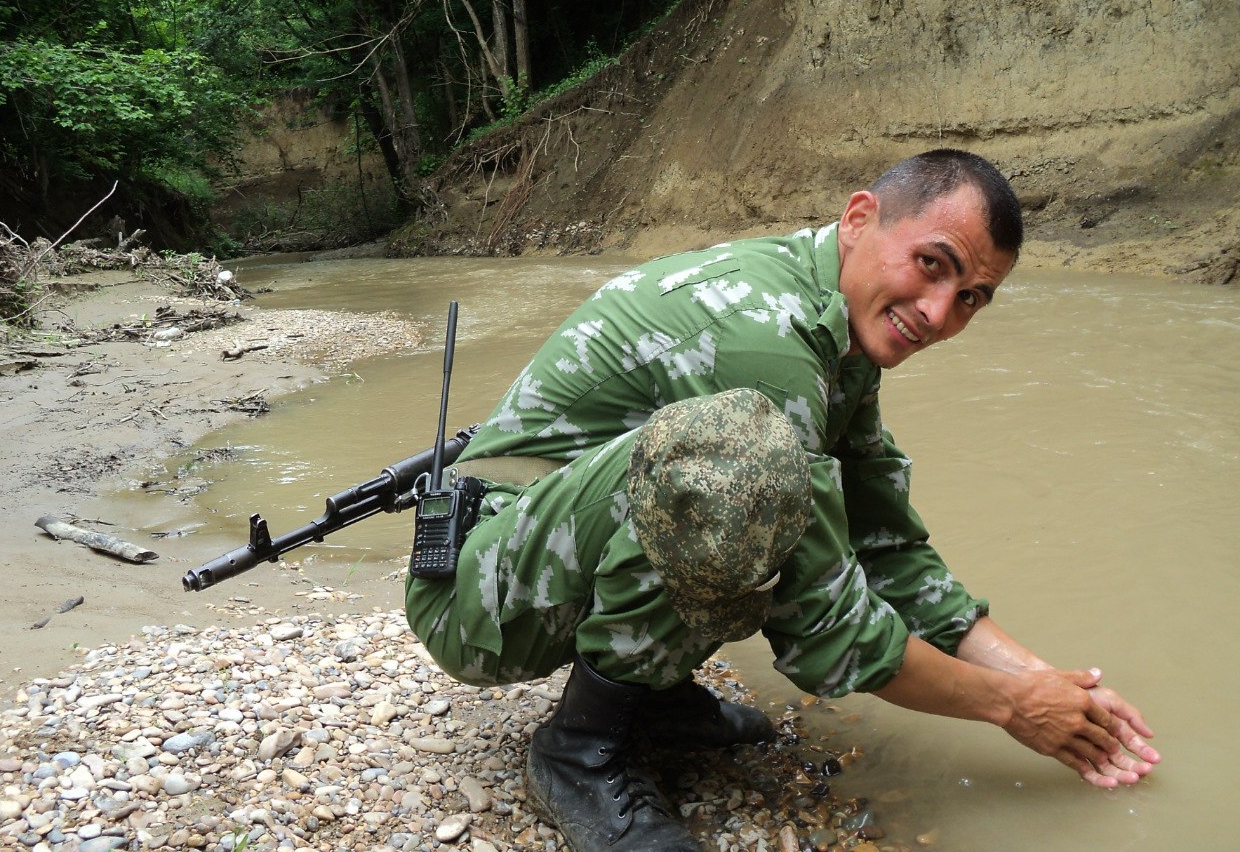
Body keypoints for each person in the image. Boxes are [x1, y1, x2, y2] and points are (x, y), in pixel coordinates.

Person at [405, 149, 1160, 852]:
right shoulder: (767, 337)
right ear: (861, 218)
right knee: (744, 470)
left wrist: (1041, 679)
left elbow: (885, 542)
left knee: (766, 488)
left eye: (970, 298)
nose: (937, 312)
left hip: (546, 563)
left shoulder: (838, 326)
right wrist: (1009, 708)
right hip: (481, 598)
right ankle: (578, 750)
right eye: (932, 265)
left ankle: (650, 700)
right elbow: (825, 623)